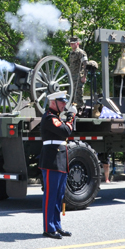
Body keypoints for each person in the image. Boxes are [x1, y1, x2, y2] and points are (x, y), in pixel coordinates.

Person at [39, 90, 74, 239]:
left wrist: (68, 118)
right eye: (62, 102)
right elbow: (66, 131)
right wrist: (72, 117)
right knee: (50, 195)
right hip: (51, 160)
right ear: (53, 102)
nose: (64, 104)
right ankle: (48, 228)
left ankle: (56, 225)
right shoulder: (49, 118)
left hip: (59, 160)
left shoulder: (57, 118)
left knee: (59, 196)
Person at [68, 37, 89, 108]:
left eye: (73, 44)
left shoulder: (81, 52)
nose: (72, 45)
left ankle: (81, 110)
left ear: (77, 43)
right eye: (71, 44)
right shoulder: (71, 53)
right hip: (72, 77)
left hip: (79, 77)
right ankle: (73, 111)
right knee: (72, 96)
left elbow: (86, 65)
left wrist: (84, 77)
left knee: (78, 95)